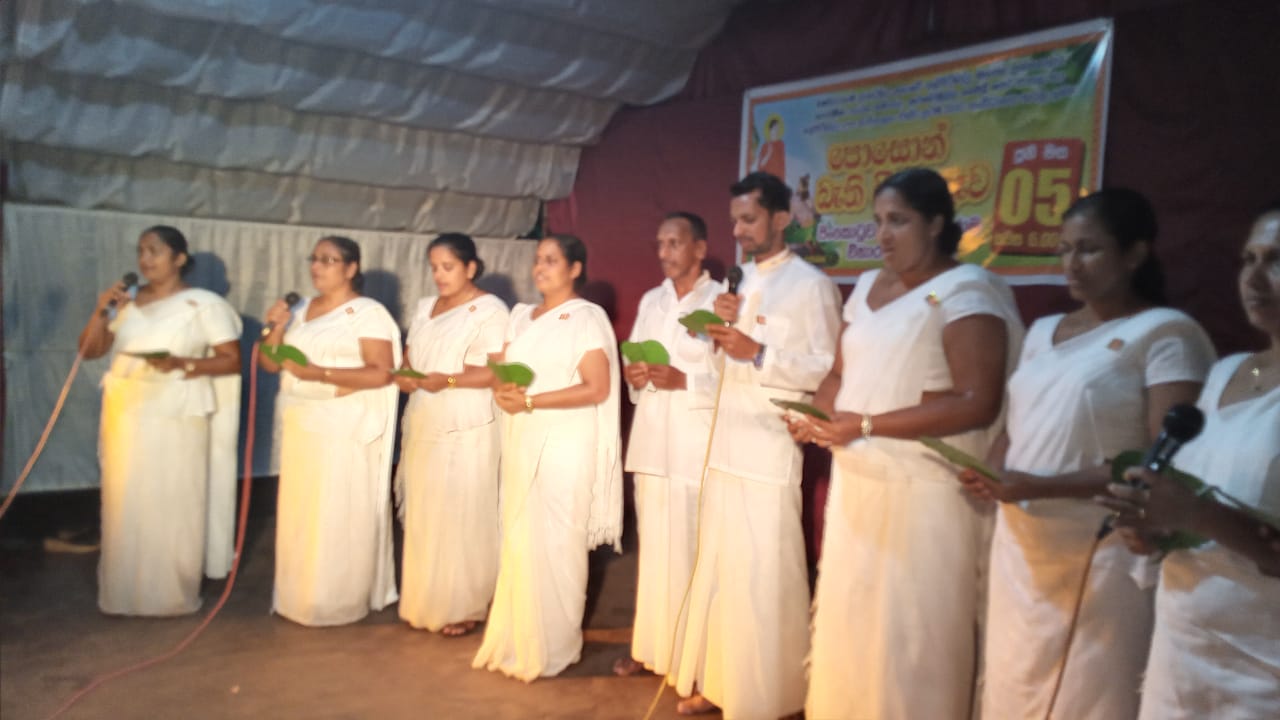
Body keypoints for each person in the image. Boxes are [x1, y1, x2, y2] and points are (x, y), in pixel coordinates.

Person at [954, 188, 1216, 718]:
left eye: (1089, 249)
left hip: (1103, 547)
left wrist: (1035, 485)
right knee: (1012, 681)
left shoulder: (1167, 334)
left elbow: (1161, 464)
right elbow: (1017, 420)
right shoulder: (1045, 330)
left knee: (1089, 692)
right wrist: (995, 470)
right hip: (1023, 543)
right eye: (1064, 249)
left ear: (1135, 254)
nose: (1071, 264)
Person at [786, 167, 1024, 719]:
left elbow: (976, 400)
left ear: (937, 223)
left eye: (900, 221)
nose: (884, 234)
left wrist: (865, 425)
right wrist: (815, 415)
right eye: (878, 222)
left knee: (913, 632)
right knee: (854, 618)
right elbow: (838, 375)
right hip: (860, 481)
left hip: (926, 491)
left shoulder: (970, 291)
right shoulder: (869, 286)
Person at [672, 172, 842, 718]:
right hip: (724, 444)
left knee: (766, 573)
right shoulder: (735, 283)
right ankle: (723, 684)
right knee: (722, 570)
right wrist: (715, 334)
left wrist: (759, 352)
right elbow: (719, 362)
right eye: (734, 222)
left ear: (782, 219)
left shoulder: (812, 285)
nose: (739, 232)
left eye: (749, 219)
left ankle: (770, 696)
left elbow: (825, 368)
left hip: (770, 444)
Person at [1101, 204, 1280, 718]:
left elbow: (1210, 515)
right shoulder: (1226, 372)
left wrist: (1195, 515)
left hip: (1262, 664)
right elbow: (1199, 497)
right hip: (1183, 642)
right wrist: (1152, 528)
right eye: (1248, 259)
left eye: (1276, 259)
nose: (1254, 277)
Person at [472, 234, 623, 681]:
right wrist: (505, 392)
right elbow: (500, 370)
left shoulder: (587, 318)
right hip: (521, 437)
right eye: (538, 260)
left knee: (558, 543)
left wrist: (533, 402)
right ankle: (518, 639)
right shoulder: (519, 316)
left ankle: (554, 646)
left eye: (552, 260)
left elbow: (597, 387)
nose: (541, 268)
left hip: (564, 442)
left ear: (575, 269)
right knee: (521, 540)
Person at [79, 225, 242, 616]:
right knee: (127, 500)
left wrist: (181, 362)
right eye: (141, 251)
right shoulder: (127, 303)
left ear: (179, 259)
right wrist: (102, 309)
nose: (145, 260)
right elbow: (90, 350)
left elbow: (231, 359)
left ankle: (170, 592)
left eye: (155, 251)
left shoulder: (203, 304)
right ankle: (124, 592)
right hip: (127, 415)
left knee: (171, 499)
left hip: (176, 415)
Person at [260, 235, 401, 627]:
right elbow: (271, 365)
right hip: (302, 422)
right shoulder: (300, 308)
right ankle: (298, 596)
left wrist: (319, 373)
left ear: (351, 268)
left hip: (343, 425)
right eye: (315, 259)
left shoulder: (367, 313)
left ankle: (337, 600)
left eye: (329, 260)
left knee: (337, 511)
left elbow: (381, 371)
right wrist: (276, 328)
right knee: (302, 512)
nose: (317, 267)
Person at [613, 212, 720, 680]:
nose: (664, 253)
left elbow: (737, 376)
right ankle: (651, 648)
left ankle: (695, 659)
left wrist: (686, 379)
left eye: (675, 243)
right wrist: (634, 374)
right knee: (655, 550)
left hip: (696, 445)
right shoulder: (651, 300)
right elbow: (633, 355)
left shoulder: (722, 301)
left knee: (692, 549)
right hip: (653, 439)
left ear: (699, 248)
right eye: (660, 244)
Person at [392, 233, 508, 637]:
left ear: (470, 268)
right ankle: (427, 599)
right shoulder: (426, 307)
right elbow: (409, 362)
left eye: (448, 267)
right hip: (426, 417)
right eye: (434, 268)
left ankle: (467, 604)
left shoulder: (490, 309)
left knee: (463, 513)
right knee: (429, 510)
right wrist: (405, 379)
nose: (439, 276)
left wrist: (452, 380)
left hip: (467, 421)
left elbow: (497, 370)